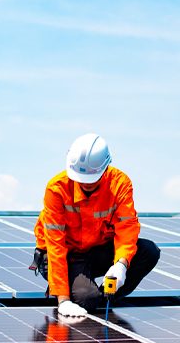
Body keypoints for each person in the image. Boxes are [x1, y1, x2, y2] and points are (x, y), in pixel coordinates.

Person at [31, 133, 160, 317]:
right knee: (87, 299)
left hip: (97, 250)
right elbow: (55, 246)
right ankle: (83, 296)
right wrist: (64, 300)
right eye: (80, 179)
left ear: (105, 168)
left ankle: (105, 298)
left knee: (149, 251)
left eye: (91, 180)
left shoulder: (120, 184)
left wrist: (121, 264)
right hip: (67, 255)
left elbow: (127, 229)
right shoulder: (56, 189)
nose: (85, 184)